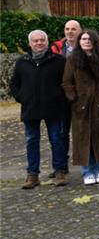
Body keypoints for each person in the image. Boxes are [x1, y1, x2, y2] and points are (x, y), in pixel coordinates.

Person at [11, 30, 68, 188]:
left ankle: (59, 172)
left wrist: (59, 98)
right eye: (35, 41)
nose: (39, 43)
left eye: (42, 40)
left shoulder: (59, 61)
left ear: (47, 42)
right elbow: (14, 84)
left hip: (53, 108)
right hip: (30, 108)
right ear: (30, 43)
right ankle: (32, 175)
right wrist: (22, 98)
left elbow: (66, 83)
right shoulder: (22, 62)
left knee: (56, 140)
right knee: (31, 141)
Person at [62, 30, 99, 186]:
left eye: (89, 39)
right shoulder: (73, 59)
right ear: (79, 42)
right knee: (83, 138)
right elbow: (67, 82)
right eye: (83, 39)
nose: (86, 41)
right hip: (81, 106)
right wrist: (74, 98)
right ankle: (87, 171)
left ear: (95, 41)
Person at [50, 19, 81, 178]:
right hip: (61, 97)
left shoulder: (86, 45)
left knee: (83, 131)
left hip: (81, 97)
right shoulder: (56, 49)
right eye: (67, 29)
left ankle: (87, 165)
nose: (70, 32)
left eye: (73, 29)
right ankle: (61, 166)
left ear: (79, 31)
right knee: (61, 133)